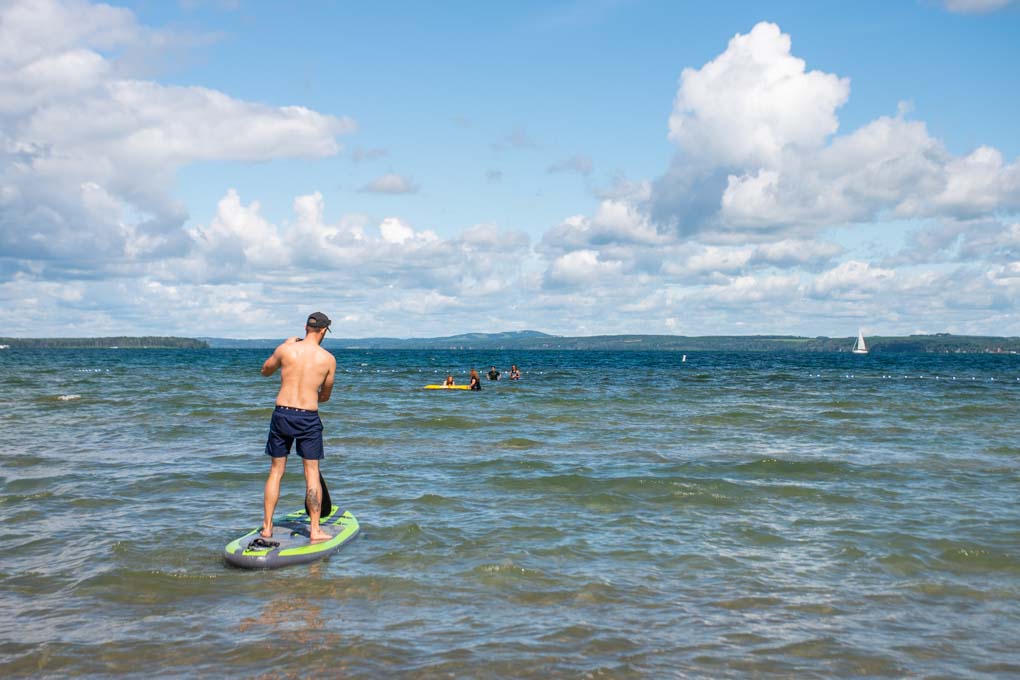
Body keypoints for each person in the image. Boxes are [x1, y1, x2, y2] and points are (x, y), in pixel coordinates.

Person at [259, 312, 337, 542]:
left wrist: (284, 345)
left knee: (276, 471)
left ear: (306, 327)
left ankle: (266, 528)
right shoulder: (327, 359)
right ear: (323, 331)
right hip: (307, 417)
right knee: (311, 473)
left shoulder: (286, 350)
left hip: (282, 413)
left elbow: (265, 371)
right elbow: (325, 396)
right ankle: (315, 530)